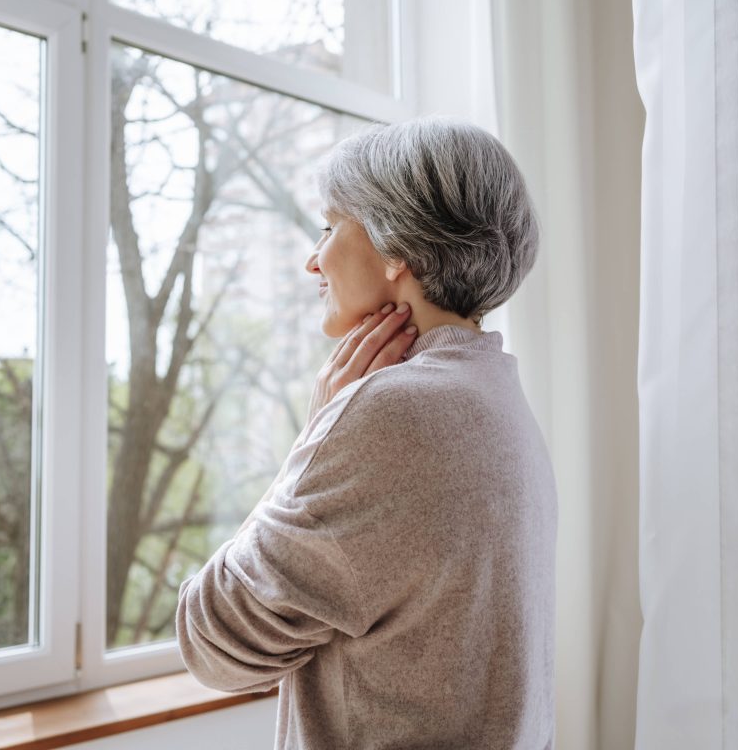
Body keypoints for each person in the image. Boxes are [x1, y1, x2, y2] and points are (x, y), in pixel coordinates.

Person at [176, 116, 557, 749]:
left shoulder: (391, 413)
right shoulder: (498, 394)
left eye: (328, 228)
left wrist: (312, 441)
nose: (312, 260)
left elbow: (212, 642)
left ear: (394, 248)